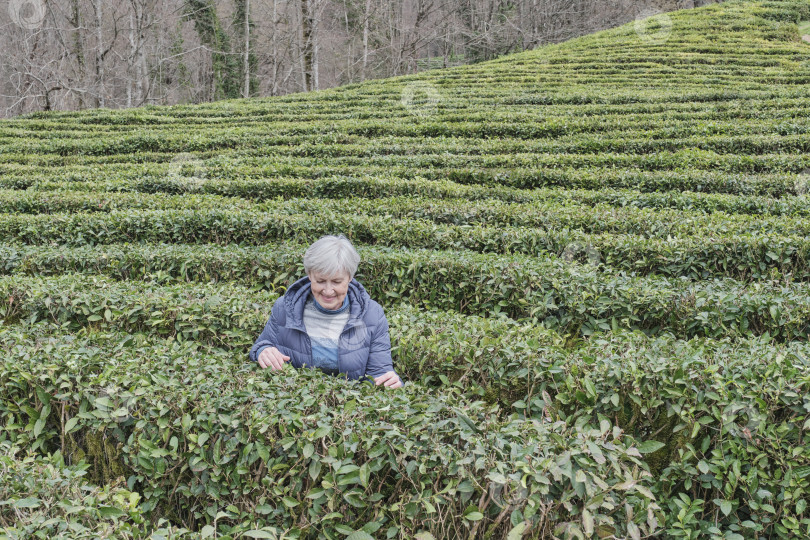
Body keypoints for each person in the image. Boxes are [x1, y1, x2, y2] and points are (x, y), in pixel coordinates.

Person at [249, 234, 404, 388]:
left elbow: (379, 373)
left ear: (350, 277)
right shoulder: (285, 307)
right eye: (320, 281)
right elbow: (262, 344)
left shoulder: (372, 314)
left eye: (337, 282)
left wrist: (391, 384)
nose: (328, 291)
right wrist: (263, 351)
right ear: (310, 275)